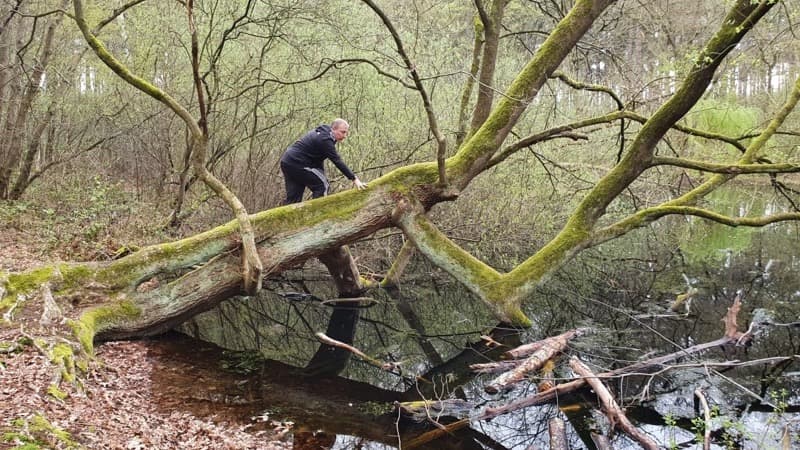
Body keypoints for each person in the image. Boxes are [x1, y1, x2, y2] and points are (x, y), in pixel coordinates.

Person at [280, 118, 367, 204]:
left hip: (287, 161)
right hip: (298, 163)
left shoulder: (324, 133)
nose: (344, 136)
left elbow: (318, 159)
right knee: (322, 185)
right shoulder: (325, 140)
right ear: (334, 129)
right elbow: (337, 161)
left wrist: (321, 172)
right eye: (343, 132)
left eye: (346, 133)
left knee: (293, 200)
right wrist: (355, 179)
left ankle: (286, 217)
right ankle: (317, 215)